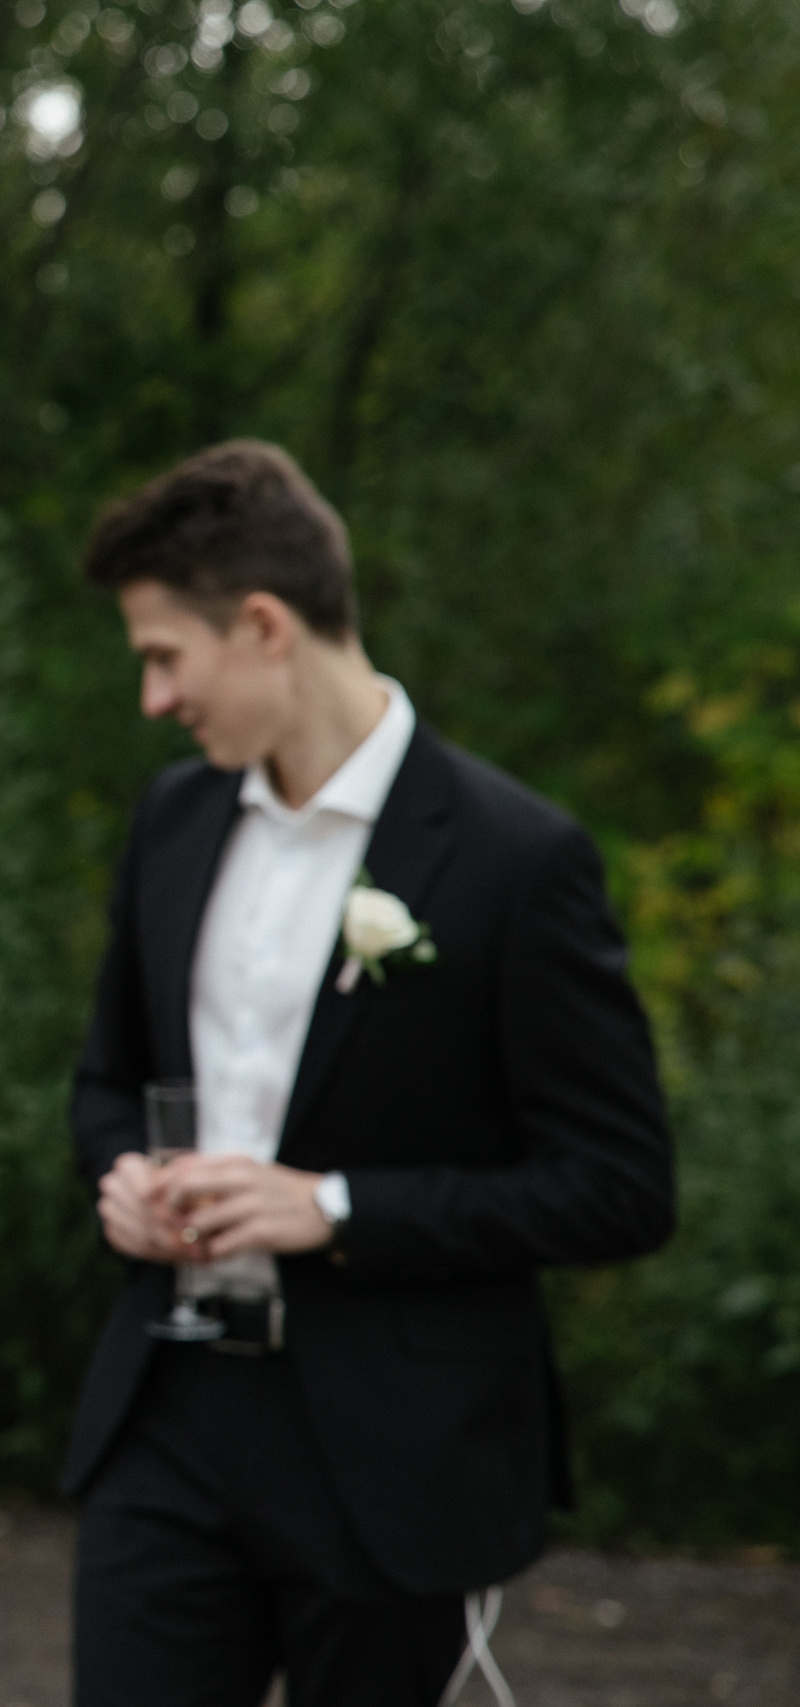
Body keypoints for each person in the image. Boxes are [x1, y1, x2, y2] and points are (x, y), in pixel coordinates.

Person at [61, 440, 674, 1706]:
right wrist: (119, 1177)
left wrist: (332, 1208)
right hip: (166, 1419)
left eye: (164, 656)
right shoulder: (172, 824)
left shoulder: (517, 860)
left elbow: (618, 1185)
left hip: (395, 1455)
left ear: (265, 625)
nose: (154, 700)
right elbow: (104, 1083)